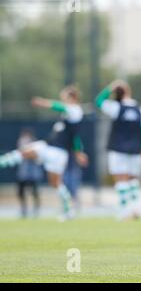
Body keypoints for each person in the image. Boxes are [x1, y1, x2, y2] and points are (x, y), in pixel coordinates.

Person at [0, 86, 88, 221]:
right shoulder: (68, 118)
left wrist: (43, 102)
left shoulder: (75, 110)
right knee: (26, 153)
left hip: (57, 152)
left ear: (72, 98)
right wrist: (78, 152)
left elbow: (61, 107)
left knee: (55, 183)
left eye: (64, 97)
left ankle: (68, 210)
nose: (63, 100)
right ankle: (68, 209)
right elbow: (75, 136)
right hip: (50, 148)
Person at [95, 80, 141, 220]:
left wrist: (110, 87)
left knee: (121, 180)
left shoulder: (115, 107)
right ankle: (136, 208)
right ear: (128, 91)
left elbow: (98, 101)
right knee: (132, 180)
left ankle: (125, 209)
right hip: (136, 150)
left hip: (118, 149)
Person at [16, 128, 43, 218]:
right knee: (21, 192)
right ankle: (24, 209)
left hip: (33, 174)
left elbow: (38, 159)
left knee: (35, 192)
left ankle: (36, 209)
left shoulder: (36, 147)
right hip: (23, 173)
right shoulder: (20, 145)